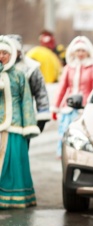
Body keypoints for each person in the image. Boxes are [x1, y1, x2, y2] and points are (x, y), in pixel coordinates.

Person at [0, 35, 40, 208]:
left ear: (11, 55)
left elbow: (26, 101)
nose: (1, 56)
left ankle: (15, 198)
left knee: (14, 163)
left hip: (15, 127)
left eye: (4, 53)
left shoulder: (19, 75)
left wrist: (29, 125)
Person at [52, 36, 93, 158]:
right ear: (73, 52)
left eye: (83, 51)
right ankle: (64, 153)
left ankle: (81, 155)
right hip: (68, 107)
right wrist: (55, 107)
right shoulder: (69, 68)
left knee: (82, 134)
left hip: (84, 108)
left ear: (88, 52)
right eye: (78, 51)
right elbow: (62, 88)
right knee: (65, 131)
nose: (80, 53)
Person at [7, 34, 51, 135]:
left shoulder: (30, 68)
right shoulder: (2, 67)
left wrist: (42, 114)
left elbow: (41, 92)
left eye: (15, 50)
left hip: (23, 117)